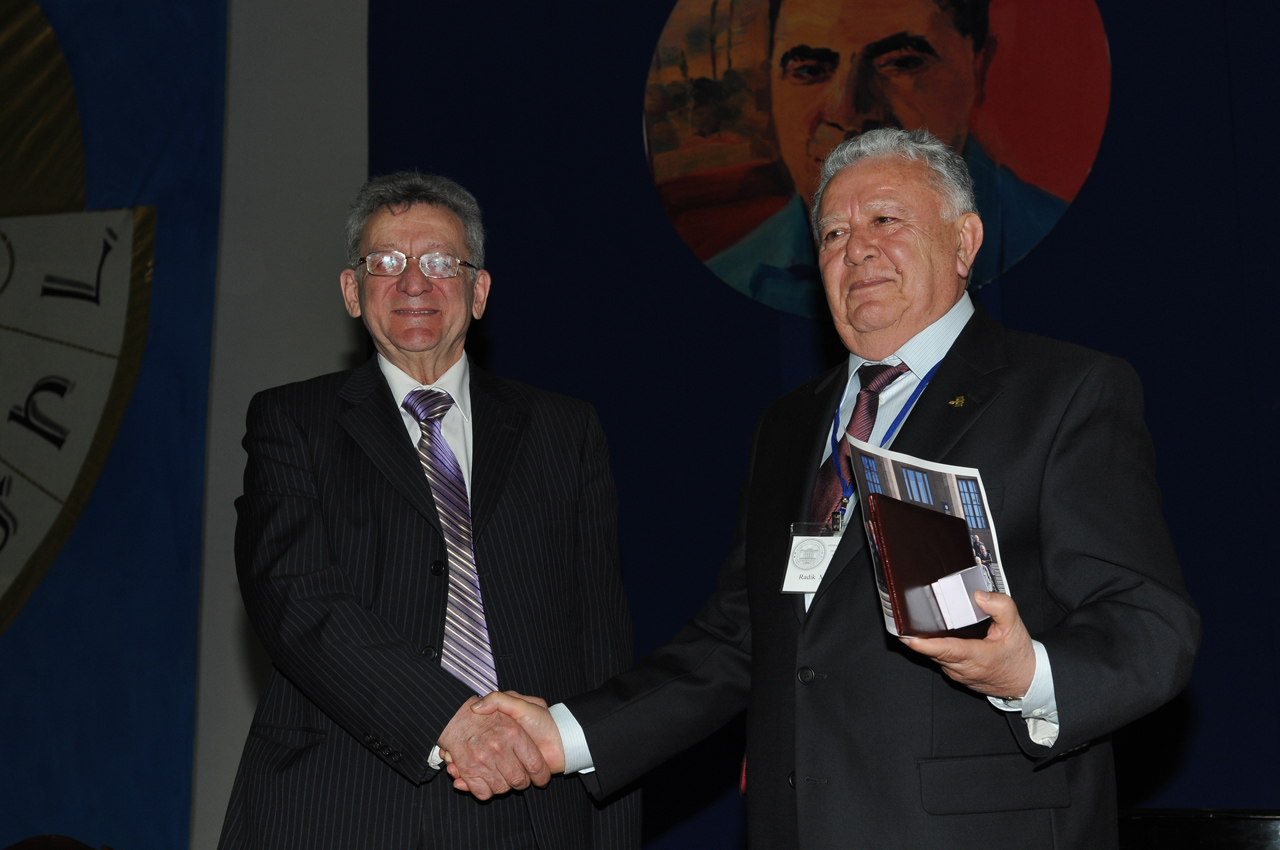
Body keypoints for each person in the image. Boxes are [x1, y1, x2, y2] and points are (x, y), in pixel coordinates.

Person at [464, 129, 1200, 849]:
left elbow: (1149, 628)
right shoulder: (788, 426)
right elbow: (739, 639)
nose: (858, 249)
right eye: (834, 234)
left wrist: (1026, 672)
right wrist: (564, 735)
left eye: (886, 220)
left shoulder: (1063, 392)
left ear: (964, 241)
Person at [217, 172, 639, 850]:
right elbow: (293, 598)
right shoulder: (291, 422)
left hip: (532, 809)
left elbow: (601, 646)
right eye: (386, 262)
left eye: (441, 262)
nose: (414, 282)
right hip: (342, 808)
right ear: (352, 291)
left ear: (480, 290)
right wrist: (450, 719)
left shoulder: (565, 431)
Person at [707, 0, 1068, 318]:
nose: (847, 111)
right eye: (809, 70)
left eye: (900, 63)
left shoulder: (1067, 259)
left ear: (979, 68)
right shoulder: (729, 281)